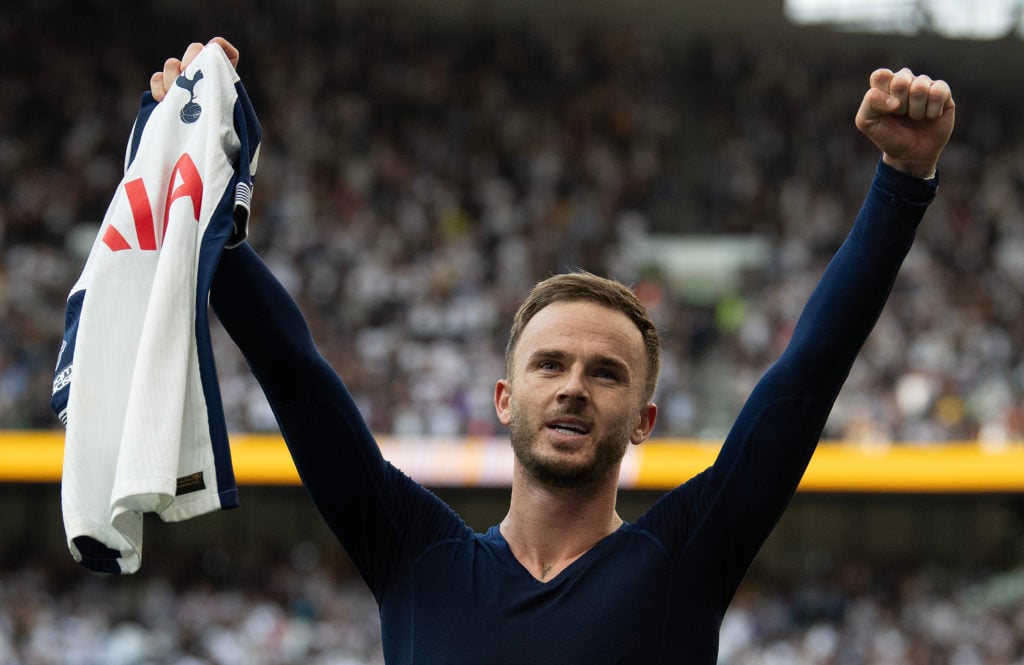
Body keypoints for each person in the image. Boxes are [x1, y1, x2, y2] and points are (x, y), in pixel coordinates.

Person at [153, 38, 954, 664]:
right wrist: (193, 174)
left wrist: (902, 179)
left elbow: (807, 374)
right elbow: (297, 376)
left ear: (642, 420)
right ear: (506, 397)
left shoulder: (683, 557)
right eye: (550, 364)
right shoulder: (414, 554)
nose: (574, 386)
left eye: (605, 373)